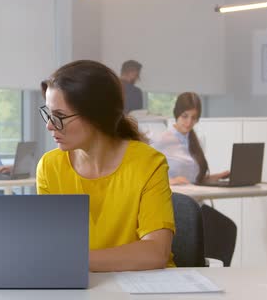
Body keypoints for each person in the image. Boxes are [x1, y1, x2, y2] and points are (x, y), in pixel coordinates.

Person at [36, 60, 175, 272]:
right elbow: (52, 246)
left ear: (96, 115)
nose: (49, 125)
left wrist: (73, 261)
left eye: (60, 116)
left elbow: (156, 252)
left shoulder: (148, 163)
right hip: (85, 286)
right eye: (49, 113)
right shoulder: (49, 167)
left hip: (146, 288)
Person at [151, 92, 230, 185]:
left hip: (193, 194)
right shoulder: (161, 140)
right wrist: (171, 181)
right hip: (172, 197)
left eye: (194, 118)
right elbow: (142, 176)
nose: (189, 122)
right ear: (177, 114)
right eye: (185, 116)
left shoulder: (196, 142)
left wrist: (217, 177)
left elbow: (194, 181)